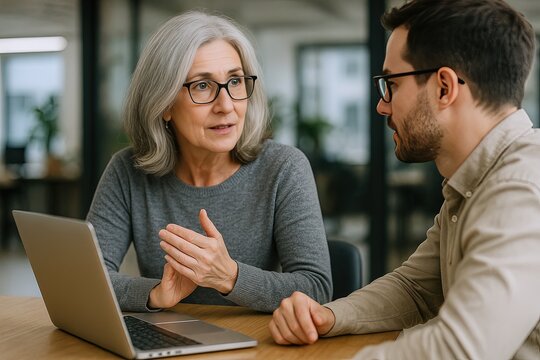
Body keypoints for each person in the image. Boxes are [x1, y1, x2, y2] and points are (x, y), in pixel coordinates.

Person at [269, 0, 540, 358]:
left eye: (390, 85)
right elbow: (415, 289)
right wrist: (328, 316)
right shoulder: (477, 182)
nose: (382, 105)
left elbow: (461, 349)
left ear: (444, 88)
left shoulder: (521, 187)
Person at [86, 10, 332, 314]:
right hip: (168, 342)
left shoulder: (284, 168)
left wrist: (229, 276)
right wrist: (154, 294)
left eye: (235, 81)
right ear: (163, 104)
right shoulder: (127, 171)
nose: (226, 105)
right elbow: (87, 281)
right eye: (202, 86)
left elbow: (316, 288)